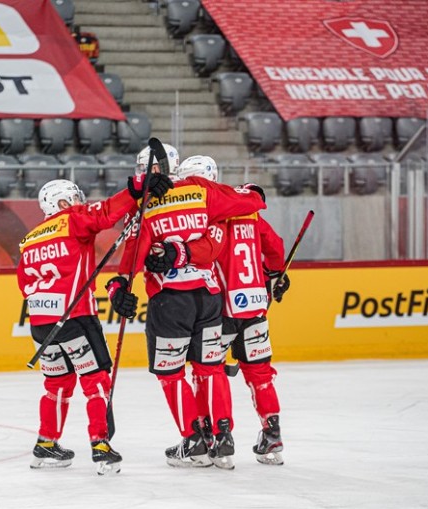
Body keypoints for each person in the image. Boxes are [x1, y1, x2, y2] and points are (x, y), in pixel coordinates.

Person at [106, 148, 267, 469]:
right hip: (209, 298)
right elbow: (252, 202)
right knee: (210, 367)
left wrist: (119, 286)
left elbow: (133, 255)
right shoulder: (202, 190)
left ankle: (194, 441)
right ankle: (222, 436)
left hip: (170, 302)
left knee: (171, 373)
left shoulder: (145, 205)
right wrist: (252, 191)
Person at [18, 174, 172, 475]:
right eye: (74, 198)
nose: (80, 202)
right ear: (61, 203)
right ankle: (101, 446)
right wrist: (136, 188)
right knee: (96, 382)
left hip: (40, 323)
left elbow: (24, 285)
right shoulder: (70, 219)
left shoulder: (29, 239)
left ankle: (45, 443)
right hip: (76, 318)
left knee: (56, 384)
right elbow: (103, 214)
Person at [173, 156, 291, 466]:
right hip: (254, 304)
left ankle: (218, 436)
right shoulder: (249, 211)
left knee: (205, 371)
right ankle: (272, 436)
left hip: (219, 308)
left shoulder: (206, 215)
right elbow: (275, 247)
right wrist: (276, 273)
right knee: (260, 374)